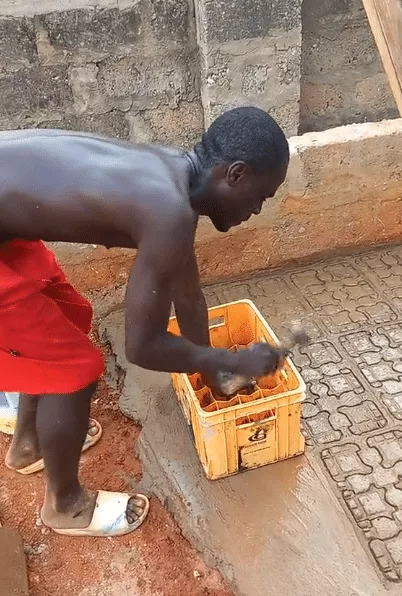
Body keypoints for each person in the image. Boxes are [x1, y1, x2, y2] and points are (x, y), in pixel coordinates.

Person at [0, 106, 289, 537]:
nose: (259, 209)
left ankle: (30, 442)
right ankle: (64, 506)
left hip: (9, 233)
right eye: (261, 196)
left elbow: (188, 297)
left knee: (64, 318)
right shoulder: (169, 211)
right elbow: (143, 346)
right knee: (74, 369)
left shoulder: (175, 180)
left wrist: (216, 373)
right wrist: (238, 361)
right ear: (236, 174)